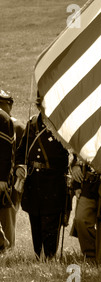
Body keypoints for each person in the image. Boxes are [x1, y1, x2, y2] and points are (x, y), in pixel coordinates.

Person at [15, 107, 70, 260]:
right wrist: (19, 167)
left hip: (53, 181)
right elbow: (21, 152)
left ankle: (50, 257)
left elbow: (71, 152)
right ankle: (38, 256)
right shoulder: (32, 123)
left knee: (50, 221)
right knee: (35, 219)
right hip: (34, 182)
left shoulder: (62, 125)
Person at [71, 161, 101, 265]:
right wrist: (77, 184)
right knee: (81, 219)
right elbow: (78, 152)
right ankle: (90, 257)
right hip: (89, 183)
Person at [0, 89, 15, 252]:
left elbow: (6, 151)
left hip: (1, 176)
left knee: (6, 215)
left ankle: (5, 246)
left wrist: (3, 178)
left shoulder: (2, 119)